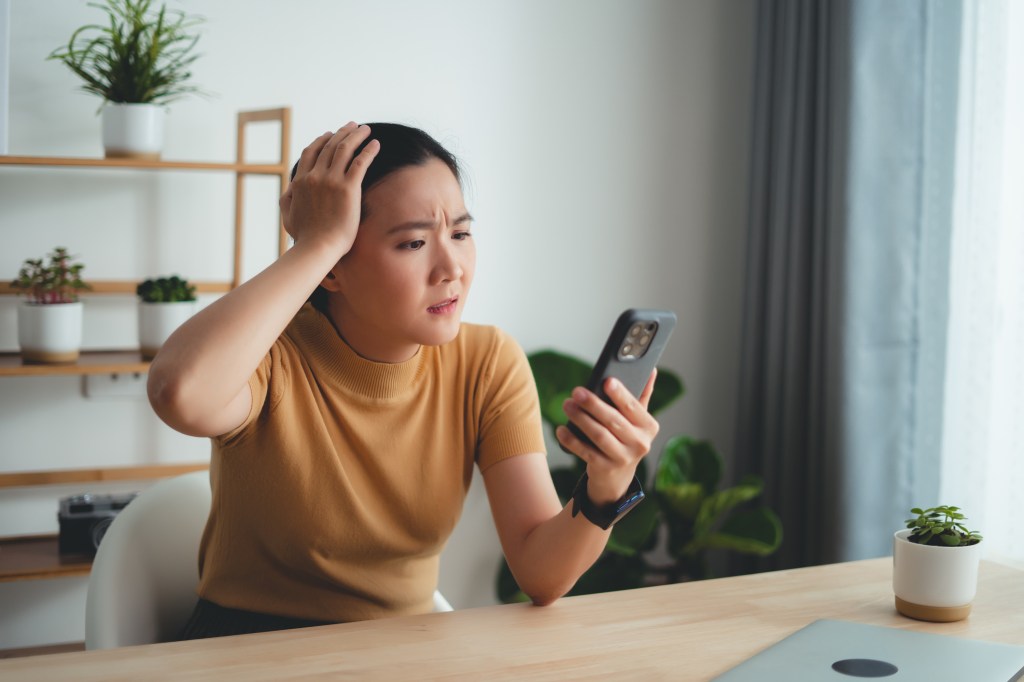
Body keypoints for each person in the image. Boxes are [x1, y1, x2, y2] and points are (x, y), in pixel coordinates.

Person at [147, 121, 662, 639]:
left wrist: (606, 486)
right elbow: (180, 394)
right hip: (250, 653)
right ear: (332, 267)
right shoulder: (270, 357)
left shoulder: (486, 362)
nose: (451, 268)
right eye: (414, 243)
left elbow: (541, 575)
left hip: (403, 654)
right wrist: (315, 243)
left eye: (460, 234)